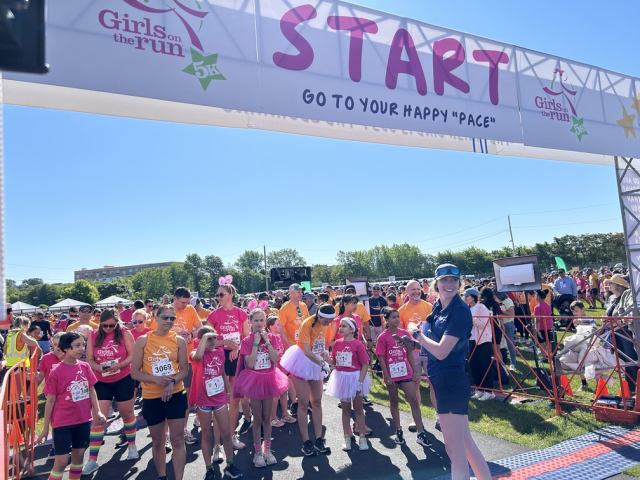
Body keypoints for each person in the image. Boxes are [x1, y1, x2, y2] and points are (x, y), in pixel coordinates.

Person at [399, 264, 491, 480]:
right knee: (465, 444)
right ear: (435, 283)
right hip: (442, 380)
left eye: (453, 280)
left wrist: (417, 336)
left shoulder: (459, 310)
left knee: (455, 452)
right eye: (444, 280)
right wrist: (413, 343)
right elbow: (432, 346)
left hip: (451, 381)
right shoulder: (438, 307)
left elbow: (441, 351)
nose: (449, 284)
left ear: (460, 284)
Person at [36, 332, 106, 480]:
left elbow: (91, 389)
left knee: (78, 459)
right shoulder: (56, 371)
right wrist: (45, 428)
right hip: (63, 423)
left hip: (83, 420)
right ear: (66, 348)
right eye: (77, 346)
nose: (82, 349)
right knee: (60, 463)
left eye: (83, 345)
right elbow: (50, 401)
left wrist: (98, 412)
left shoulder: (85, 367)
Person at [131, 304, 189, 480]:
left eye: (172, 318)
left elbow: (184, 370)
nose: (169, 321)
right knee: (158, 441)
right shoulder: (143, 340)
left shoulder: (178, 340)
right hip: (152, 396)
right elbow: (135, 372)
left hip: (176, 394)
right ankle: (162, 476)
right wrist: (156, 380)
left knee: (178, 440)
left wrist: (171, 381)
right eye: (165, 317)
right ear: (156, 317)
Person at [82, 308, 138, 475]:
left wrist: (119, 365)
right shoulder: (93, 335)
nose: (108, 329)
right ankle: (92, 460)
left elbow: (133, 355)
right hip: (101, 380)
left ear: (117, 323)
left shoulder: (125, 333)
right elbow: (89, 359)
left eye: (112, 326)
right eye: (105, 326)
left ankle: (132, 446)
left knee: (127, 414)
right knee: (99, 418)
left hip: (123, 378)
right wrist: (99, 367)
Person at [233, 308, 288, 468]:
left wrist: (267, 340)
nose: (258, 323)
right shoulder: (247, 341)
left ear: (265, 321)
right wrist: (257, 342)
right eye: (255, 320)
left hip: (270, 378)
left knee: (268, 417)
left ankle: (268, 450)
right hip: (255, 380)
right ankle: (257, 452)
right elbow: (249, 364)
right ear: (250, 322)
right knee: (257, 418)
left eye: (261, 320)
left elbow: (275, 358)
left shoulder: (272, 337)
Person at [280, 304, 334, 456]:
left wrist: (326, 357)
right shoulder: (307, 324)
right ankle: (306, 441)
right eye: (326, 321)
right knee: (303, 403)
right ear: (319, 316)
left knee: (316, 401)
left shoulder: (327, 324)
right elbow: (307, 350)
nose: (328, 324)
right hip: (303, 360)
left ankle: (318, 439)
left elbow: (323, 344)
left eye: (330, 321)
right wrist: (321, 364)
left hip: (316, 360)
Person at [190, 326, 242, 480]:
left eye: (214, 338)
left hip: (219, 397)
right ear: (201, 340)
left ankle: (230, 464)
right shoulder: (195, 353)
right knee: (206, 434)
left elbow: (222, 372)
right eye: (209, 338)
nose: (213, 341)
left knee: (226, 432)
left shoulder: (219, 352)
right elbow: (198, 357)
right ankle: (209, 468)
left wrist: (227, 391)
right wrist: (204, 339)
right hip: (203, 398)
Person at [375, 307, 429, 446]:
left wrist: (414, 371)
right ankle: (398, 430)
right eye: (393, 317)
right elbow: (381, 358)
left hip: (405, 372)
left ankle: (421, 432)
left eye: (398, 316)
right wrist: (386, 375)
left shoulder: (404, 333)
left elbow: (410, 352)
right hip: (391, 374)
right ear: (386, 320)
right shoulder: (383, 337)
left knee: (413, 399)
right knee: (394, 401)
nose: (397, 319)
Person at [206, 281, 251, 450]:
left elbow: (246, 337)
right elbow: (208, 341)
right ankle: (217, 444)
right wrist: (225, 342)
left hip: (236, 357)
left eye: (221, 294)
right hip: (218, 357)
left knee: (234, 400)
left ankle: (231, 436)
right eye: (217, 295)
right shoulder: (213, 315)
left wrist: (237, 347)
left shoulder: (241, 313)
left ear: (231, 295)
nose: (218, 297)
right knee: (219, 402)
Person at [325, 317, 373, 451]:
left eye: (344, 326)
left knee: (358, 408)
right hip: (342, 378)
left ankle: (362, 436)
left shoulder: (357, 344)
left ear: (352, 329)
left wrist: (360, 382)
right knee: (345, 409)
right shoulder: (337, 343)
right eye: (340, 326)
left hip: (355, 377)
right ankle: (347, 436)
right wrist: (327, 359)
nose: (340, 328)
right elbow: (335, 362)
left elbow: (365, 364)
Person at [397, 279, 433, 431]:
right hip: (412, 353)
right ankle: (416, 418)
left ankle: (439, 417)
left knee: (434, 384)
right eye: (413, 290)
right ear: (407, 292)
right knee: (415, 384)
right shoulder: (402, 310)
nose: (416, 292)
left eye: (418, 289)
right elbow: (400, 334)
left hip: (430, 350)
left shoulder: (429, 307)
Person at [277, 283, 310, 416]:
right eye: (297, 292)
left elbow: (307, 324)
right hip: (290, 347)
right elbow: (280, 328)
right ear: (290, 293)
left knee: (304, 373)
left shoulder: (303, 306)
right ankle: (295, 402)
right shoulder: (285, 308)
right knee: (292, 375)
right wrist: (289, 345)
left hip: (304, 345)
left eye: (301, 291)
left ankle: (305, 400)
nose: (300, 294)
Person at [265, 314, 296, 427]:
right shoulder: (269, 337)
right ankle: (272, 418)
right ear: (271, 326)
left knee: (284, 392)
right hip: (274, 368)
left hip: (282, 367)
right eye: (278, 325)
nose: (280, 327)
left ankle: (284, 414)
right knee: (275, 395)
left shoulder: (278, 336)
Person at [463, 289, 494, 401]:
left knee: (484, 365)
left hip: (483, 340)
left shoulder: (482, 308)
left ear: (474, 297)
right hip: (471, 340)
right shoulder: (467, 308)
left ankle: (489, 391)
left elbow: (483, 324)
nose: (465, 298)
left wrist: (472, 319)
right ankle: (480, 389)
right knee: (474, 365)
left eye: (467, 296)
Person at [533, 290, 554, 357]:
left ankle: (544, 356)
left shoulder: (537, 307)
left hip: (542, 327)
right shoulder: (548, 305)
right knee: (548, 341)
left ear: (538, 297)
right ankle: (550, 354)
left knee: (541, 342)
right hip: (549, 325)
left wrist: (537, 330)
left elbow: (538, 319)